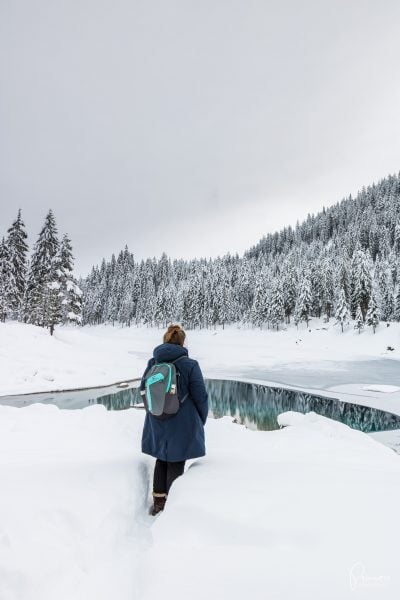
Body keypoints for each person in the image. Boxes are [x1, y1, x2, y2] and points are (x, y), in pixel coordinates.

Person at [140, 324, 208, 515]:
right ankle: (173, 509)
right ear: (182, 342)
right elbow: (200, 396)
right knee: (177, 461)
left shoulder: (153, 363)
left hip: (157, 418)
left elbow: (143, 390)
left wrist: (154, 412)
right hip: (182, 421)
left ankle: (159, 503)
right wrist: (200, 419)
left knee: (161, 459)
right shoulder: (190, 364)